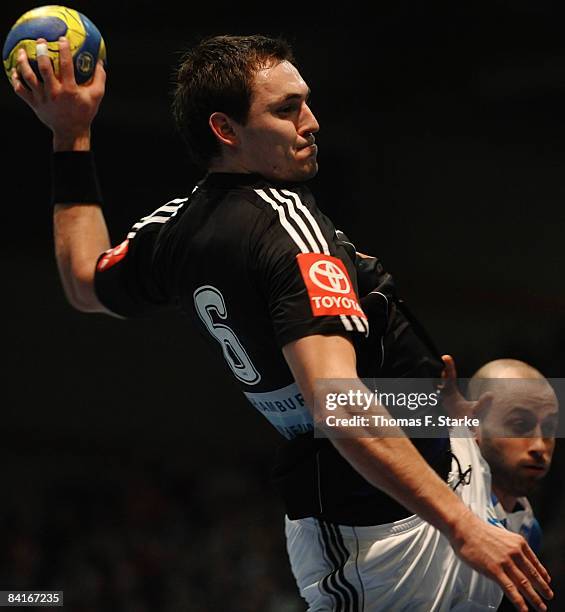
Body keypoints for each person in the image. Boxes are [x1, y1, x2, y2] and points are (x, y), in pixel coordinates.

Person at [11, 34, 553, 611]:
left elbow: (83, 283)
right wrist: (461, 527)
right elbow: (335, 404)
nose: (312, 122)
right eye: (287, 109)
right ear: (225, 130)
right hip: (390, 531)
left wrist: (70, 135)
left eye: (307, 101)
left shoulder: (179, 227)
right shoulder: (287, 233)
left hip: (409, 484)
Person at [442, 356, 559, 610]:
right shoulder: (440, 485)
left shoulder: (528, 529)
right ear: (474, 425)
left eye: (549, 428)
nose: (540, 445)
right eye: (520, 425)